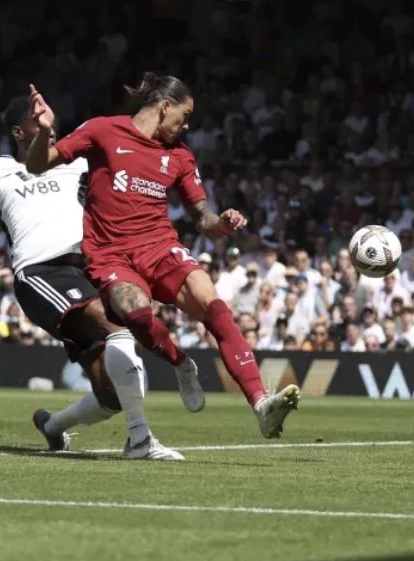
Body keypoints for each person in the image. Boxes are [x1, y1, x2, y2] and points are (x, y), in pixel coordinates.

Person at [0, 97, 190, 460]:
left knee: (112, 395)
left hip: (87, 273)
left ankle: (53, 426)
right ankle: (139, 441)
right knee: (116, 325)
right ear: (18, 131)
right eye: (38, 120)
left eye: (51, 120)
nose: (50, 126)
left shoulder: (76, 162)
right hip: (41, 273)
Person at [25, 73, 299, 439]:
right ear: (164, 106)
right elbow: (37, 164)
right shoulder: (104, 130)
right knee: (136, 312)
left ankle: (261, 402)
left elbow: (203, 217)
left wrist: (222, 223)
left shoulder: (180, 156)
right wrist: (44, 130)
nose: (186, 125)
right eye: (184, 116)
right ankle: (181, 364)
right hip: (110, 255)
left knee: (215, 308)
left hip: (160, 246)